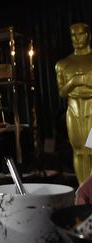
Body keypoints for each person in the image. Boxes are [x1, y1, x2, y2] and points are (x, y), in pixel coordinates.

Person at [56, 22, 92, 184]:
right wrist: (77, 81)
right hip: (74, 110)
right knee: (78, 151)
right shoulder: (63, 64)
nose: (77, 38)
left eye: (81, 34)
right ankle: (83, 191)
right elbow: (62, 92)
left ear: (88, 35)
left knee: (91, 151)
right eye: (73, 35)